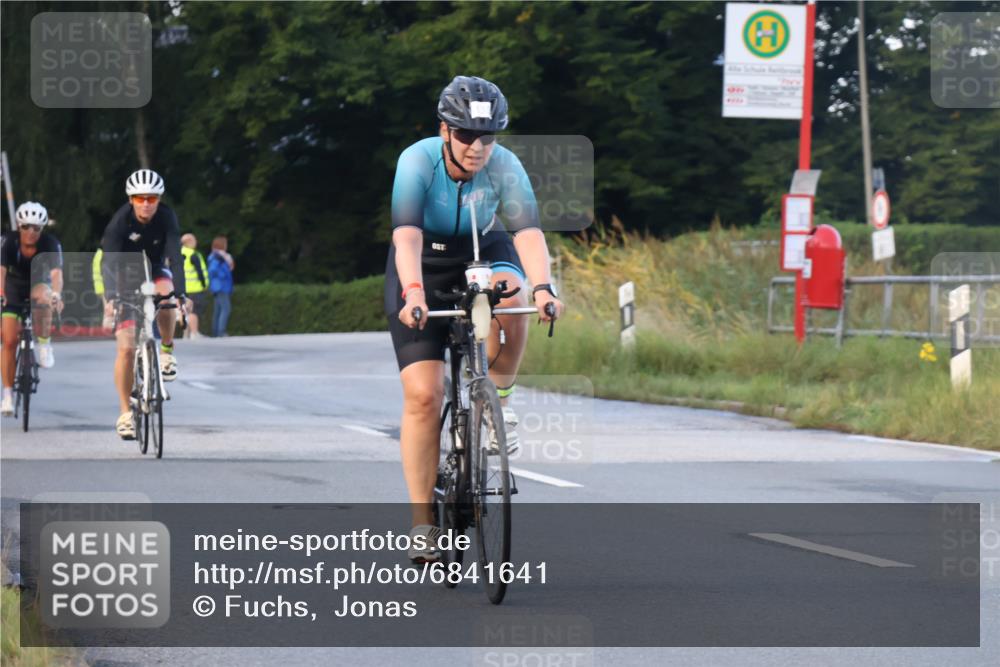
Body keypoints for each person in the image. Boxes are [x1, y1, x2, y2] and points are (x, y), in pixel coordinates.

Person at [386, 76, 563, 562]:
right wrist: (415, 292)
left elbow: (527, 231)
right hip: (424, 262)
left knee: (516, 294)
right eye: (466, 135)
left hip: (484, 252)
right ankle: (423, 522)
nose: (477, 147)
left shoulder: (504, 165)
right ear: (444, 130)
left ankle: (498, 398)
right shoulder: (416, 161)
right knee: (425, 396)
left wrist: (545, 287)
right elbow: (406, 236)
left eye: (488, 136)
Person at [101, 168, 186, 439]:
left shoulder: (167, 217)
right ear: (131, 200)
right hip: (125, 272)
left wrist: (181, 295)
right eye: (140, 198)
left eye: (151, 198)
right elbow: (109, 263)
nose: (146, 204)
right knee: (126, 349)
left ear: (159, 199)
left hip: (156, 267)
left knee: (167, 292)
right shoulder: (119, 223)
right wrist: (112, 296)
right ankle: (125, 412)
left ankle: (166, 351)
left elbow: (176, 254)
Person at [1, 202, 64, 415]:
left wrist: (56, 294)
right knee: (9, 341)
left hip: (38, 282)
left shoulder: (50, 243)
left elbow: (56, 275)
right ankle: (8, 395)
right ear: (19, 226)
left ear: (42, 229)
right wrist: (1, 294)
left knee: (47, 296)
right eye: (26, 226)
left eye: (36, 228)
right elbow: (0, 271)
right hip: (13, 286)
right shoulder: (8, 242)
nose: (31, 232)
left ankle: (44, 343)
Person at [180, 233, 209, 338]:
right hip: (194, 287)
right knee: (193, 310)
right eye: (194, 240)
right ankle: (194, 332)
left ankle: (186, 333)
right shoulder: (192, 254)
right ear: (189, 242)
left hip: (182, 287)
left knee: (184, 310)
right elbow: (199, 271)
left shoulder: (178, 253)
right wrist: (204, 284)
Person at [207, 236, 234, 337]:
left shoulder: (217, 256)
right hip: (221, 286)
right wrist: (222, 275)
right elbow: (212, 270)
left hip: (218, 286)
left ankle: (216, 332)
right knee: (226, 309)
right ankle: (221, 332)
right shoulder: (218, 257)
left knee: (218, 310)